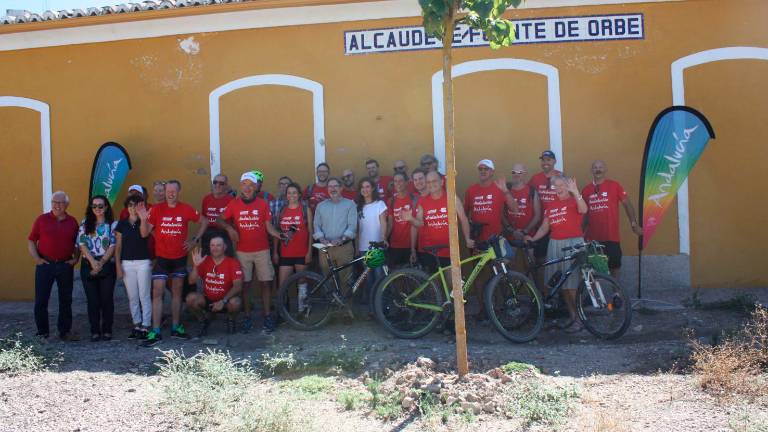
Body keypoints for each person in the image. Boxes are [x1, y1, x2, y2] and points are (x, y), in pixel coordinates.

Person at [141, 180, 208, 347]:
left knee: (177, 293)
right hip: (162, 258)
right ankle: (155, 330)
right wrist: (143, 219)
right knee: (157, 293)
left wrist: (195, 240)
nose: (170, 193)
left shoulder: (186, 208)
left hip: (179, 258)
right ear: (164, 192)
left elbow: (204, 221)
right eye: (168, 191)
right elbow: (144, 234)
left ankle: (176, 327)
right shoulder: (156, 209)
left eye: (174, 191)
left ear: (179, 191)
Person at [218, 171, 284, 335]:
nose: (247, 188)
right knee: (245, 285)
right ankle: (247, 317)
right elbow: (219, 219)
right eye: (244, 184)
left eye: (251, 185)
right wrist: (229, 228)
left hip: (262, 250)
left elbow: (269, 227)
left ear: (256, 187)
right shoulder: (234, 203)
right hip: (242, 252)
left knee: (265, 283)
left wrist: (281, 235)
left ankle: (267, 316)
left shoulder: (263, 204)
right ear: (241, 186)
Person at [525, 175, 588, 333]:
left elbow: (584, 209)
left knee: (572, 284)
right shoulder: (551, 205)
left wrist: (576, 192)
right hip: (555, 244)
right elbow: (545, 228)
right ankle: (573, 317)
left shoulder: (574, 200)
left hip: (573, 244)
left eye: (561, 185)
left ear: (567, 187)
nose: (558, 188)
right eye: (556, 185)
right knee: (563, 285)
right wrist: (533, 238)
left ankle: (580, 319)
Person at [27, 191, 80, 340]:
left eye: (61, 202)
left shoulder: (72, 222)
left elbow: (78, 243)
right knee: (41, 300)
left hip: (65, 265)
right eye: (54, 202)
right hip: (45, 264)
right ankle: (42, 332)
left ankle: (64, 332)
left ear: (67, 205)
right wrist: (37, 259)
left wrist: (76, 259)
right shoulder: (41, 220)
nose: (57, 205)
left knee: (66, 300)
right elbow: (31, 240)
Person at [582, 160, 642, 278]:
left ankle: (616, 294)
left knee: (615, 267)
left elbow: (627, 204)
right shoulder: (586, 190)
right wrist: (580, 234)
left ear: (605, 170)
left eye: (600, 167)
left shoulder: (615, 186)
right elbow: (584, 214)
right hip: (592, 238)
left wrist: (634, 224)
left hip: (611, 236)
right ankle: (594, 295)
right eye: (595, 167)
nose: (598, 169)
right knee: (592, 269)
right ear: (591, 170)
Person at [403, 171, 474, 272]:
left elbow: (463, 218)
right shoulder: (422, 201)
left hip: (450, 251)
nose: (431, 184)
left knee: (452, 284)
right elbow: (420, 223)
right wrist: (411, 219)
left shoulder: (452, 198)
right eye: (428, 182)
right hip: (430, 252)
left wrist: (467, 238)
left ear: (441, 182)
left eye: (434, 181)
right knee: (434, 285)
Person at [77, 195, 117, 342]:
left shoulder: (112, 225)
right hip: (89, 265)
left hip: (106, 265)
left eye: (100, 206)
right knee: (92, 300)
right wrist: (93, 262)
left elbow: (113, 245)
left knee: (106, 299)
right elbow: (82, 244)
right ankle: (95, 330)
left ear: (106, 207)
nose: (97, 209)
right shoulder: (84, 224)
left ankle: (107, 330)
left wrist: (101, 263)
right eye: (94, 206)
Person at [186, 236, 243, 336]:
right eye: (212, 245)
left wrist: (223, 301)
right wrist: (196, 266)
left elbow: (238, 286)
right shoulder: (204, 260)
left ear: (224, 247)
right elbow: (191, 281)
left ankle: (231, 320)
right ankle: (203, 321)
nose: (215, 248)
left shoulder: (233, 263)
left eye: (218, 245)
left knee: (236, 302)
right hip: (208, 299)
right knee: (190, 298)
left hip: (226, 300)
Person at [115, 194, 153, 340]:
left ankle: (146, 325)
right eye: (130, 205)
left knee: (144, 295)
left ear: (141, 207)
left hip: (143, 262)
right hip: (127, 264)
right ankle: (136, 324)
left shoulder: (146, 221)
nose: (132, 208)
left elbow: (144, 235)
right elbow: (118, 248)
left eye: (135, 205)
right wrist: (118, 266)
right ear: (127, 207)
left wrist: (143, 218)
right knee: (133, 296)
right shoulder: (122, 224)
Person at [313, 177, 357, 288]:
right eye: (330, 186)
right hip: (325, 249)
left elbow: (352, 226)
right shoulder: (321, 206)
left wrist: (342, 239)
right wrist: (321, 238)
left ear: (341, 188)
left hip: (344, 248)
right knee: (327, 281)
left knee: (345, 281)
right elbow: (316, 225)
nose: (332, 189)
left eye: (335, 186)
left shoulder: (350, 204)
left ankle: (346, 306)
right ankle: (330, 305)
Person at [275, 183, 313, 306]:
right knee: (282, 285)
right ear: (286, 195)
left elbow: (311, 231)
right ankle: (283, 312)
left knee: (302, 283)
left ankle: (303, 310)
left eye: (294, 192)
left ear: (299, 195)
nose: (292, 195)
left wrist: (309, 252)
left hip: (301, 253)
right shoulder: (281, 210)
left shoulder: (305, 209)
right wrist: (275, 252)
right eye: (289, 193)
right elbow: (277, 232)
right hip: (285, 253)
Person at [463, 159, 517, 242]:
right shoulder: (470, 191)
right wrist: (468, 231)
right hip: (476, 239)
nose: (483, 171)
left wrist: (505, 190)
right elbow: (464, 214)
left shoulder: (499, 188)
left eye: (486, 169)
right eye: (480, 169)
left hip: (496, 238)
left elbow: (515, 209)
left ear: (492, 172)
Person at [356, 177, 388, 305]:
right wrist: (357, 247)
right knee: (368, 278)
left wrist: (383, 237)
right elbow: (358, 229)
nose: (365, 189)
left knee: (379, 276)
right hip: (363, 247)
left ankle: (380, 305)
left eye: (367, 186)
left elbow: (383, 222)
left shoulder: (379, 204)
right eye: (362, 187)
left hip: (376, 246)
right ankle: (371, 306)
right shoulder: (358, 207)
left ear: (373, 188)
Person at [504, 164, 542, 241]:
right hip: (511, 235)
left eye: (519, 172)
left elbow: (537, 215)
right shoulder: (506, 190)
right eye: (514, 172)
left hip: (528, 235)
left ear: (525, 173)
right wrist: (512, 230)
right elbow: (501, 213)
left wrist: (525, 231)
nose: (516, 175)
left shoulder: (532, 191)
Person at [387, 172, 416, 267]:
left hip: (411, 245)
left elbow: (416, 224)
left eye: (400, 181)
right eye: (395, 181)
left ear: (407, 182)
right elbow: (390, 224)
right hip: (395, 246)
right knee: (395, 277)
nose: (398, 183)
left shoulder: (414, 199)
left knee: (412, 277)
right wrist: (383, 238)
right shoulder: (391, 201)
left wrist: (413, 248)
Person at [200, 174, 234, 255]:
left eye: (221, 183)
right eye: (215, 182)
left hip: (224, 233)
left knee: (226, 261)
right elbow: (204, 219)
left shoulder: (231, 201)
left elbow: (234, 220)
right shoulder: (206, 199)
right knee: (206, 261)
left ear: (226, 186)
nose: (217, 185)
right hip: (208, 233)